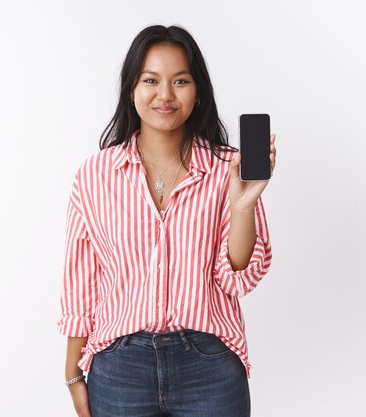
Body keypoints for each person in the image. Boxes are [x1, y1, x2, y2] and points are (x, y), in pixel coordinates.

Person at [56, 24, 276, 417]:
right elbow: (81, 285)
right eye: (151, 80)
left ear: (198, 91)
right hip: (119, 365)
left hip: (209, 362)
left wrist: (242, 205)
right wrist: (73, 375)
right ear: (131, 89)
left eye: (180, 81)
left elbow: (237, 277)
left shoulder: (229, 168)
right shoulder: (94, 176)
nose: (165, 95)